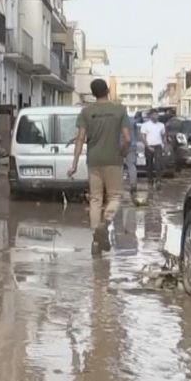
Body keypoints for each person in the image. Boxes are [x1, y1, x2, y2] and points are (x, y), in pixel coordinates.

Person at [68, 79, 131, 256]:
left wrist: (73, 164)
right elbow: (127, 138)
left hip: (93, 160)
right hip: (113, 160)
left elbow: (80, 138)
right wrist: (123, 152)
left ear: (93, 93)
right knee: (115, 195)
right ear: (108, 90)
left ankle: (96, 238)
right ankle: (106, 221)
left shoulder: (87, 112)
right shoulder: (119, 110)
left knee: (95, 198)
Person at [139, 110, 167, 187]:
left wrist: (164, 145)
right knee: (149, 164)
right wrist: (148, 146)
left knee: (158, 163)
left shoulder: (161, 125)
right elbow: (142, 136)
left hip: (158, 146)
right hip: (149, 146)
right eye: (154, 115)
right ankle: (150, 179)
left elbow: (163, 135)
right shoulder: (145, 125)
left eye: (157, 115)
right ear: (150, 116)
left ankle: (158, 180)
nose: (156, 116)